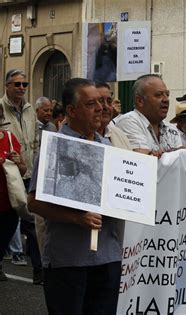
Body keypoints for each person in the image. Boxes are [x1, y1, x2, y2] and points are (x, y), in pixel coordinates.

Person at [28, 78, 123, 314]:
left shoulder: (110, 148)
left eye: (102, 102)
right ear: (71, 110)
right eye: (91, 104)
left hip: (108, 257)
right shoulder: (55, 147)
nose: (101, 108)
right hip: (68, 259)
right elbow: (34, 202)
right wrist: (77, 218)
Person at [0, 69, 42, 284]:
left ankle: (39, 270)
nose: (21, 88)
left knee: (32, 222)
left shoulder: (29, 110)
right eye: (17, 84)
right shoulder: (0, 107)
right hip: (6, 176)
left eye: (24, 84)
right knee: (7, 222)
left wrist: (33, 165)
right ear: (7, 86)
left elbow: (34, 140)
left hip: (27, 172)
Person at [115, 74, 182, 157]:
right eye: (158, 95)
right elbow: (144, 161)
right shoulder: (128, 122)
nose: (166, 100)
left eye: (167, 94)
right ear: (140, 101)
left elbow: (181, 163)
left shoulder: (171, 128)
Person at [0, 105, 26, 281]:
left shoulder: (10, 139)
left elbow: (23, 171)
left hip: (8, 203)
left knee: (3, 239)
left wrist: (18, 161)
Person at [95, 82, 132, 149]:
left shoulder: (119, 134)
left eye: (109, 101)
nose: (106, 106)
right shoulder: (79, 138)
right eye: (100, 101)